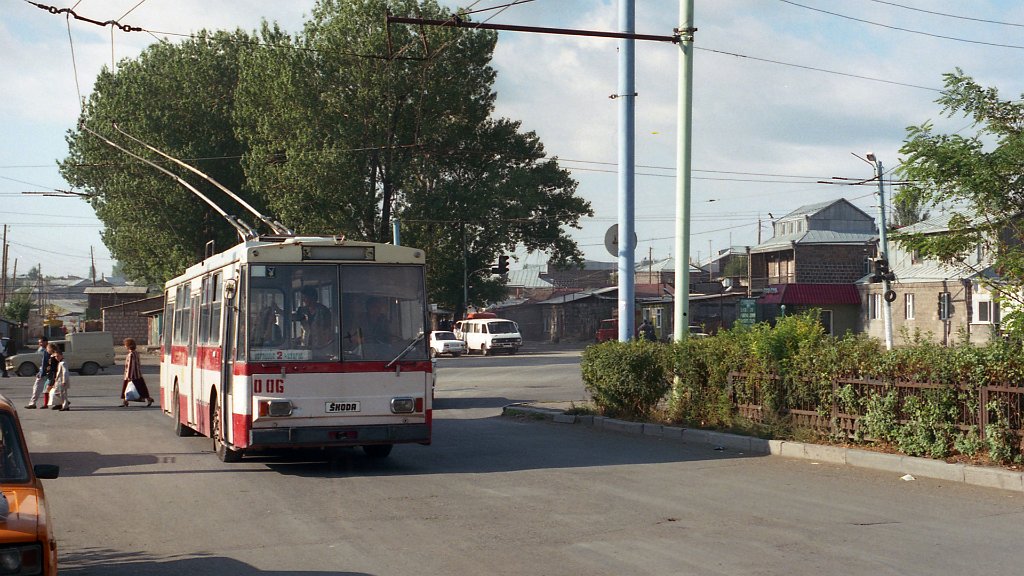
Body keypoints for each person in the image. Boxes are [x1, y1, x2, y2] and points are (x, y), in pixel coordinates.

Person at [121, 338, 154, 407]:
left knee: (128, 388)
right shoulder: (136, 353)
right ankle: (125, 401)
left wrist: (129, 376)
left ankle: (125, 401)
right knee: (141, 388)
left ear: (128, 346)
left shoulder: (131, 354)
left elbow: (131, 366)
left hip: (132, 375)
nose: (125, 346)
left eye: (125, 345)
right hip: (137, 374)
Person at [25, 337, 50, 409]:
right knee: (50, 389)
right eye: (39, 342)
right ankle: (63, 401)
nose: (40, 344)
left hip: (46, 373)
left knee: (37, 388)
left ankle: (32, 404)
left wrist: (41, 373)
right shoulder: (45, 350)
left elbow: (45, 364)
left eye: (41, 342)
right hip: (46, 373)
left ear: (46, 342)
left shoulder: (48, 350)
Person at [48, 346, 70, 411]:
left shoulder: (63, 363)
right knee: (57, 393)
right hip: (58, 381)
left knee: (63, 394)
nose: (56, 358)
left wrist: (64, 381)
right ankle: (64, 404)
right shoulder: (60, 362)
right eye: (55, 356)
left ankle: (65, 406)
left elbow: (65, 372)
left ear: (61, 356)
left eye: (58, 356)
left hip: (62, 381)